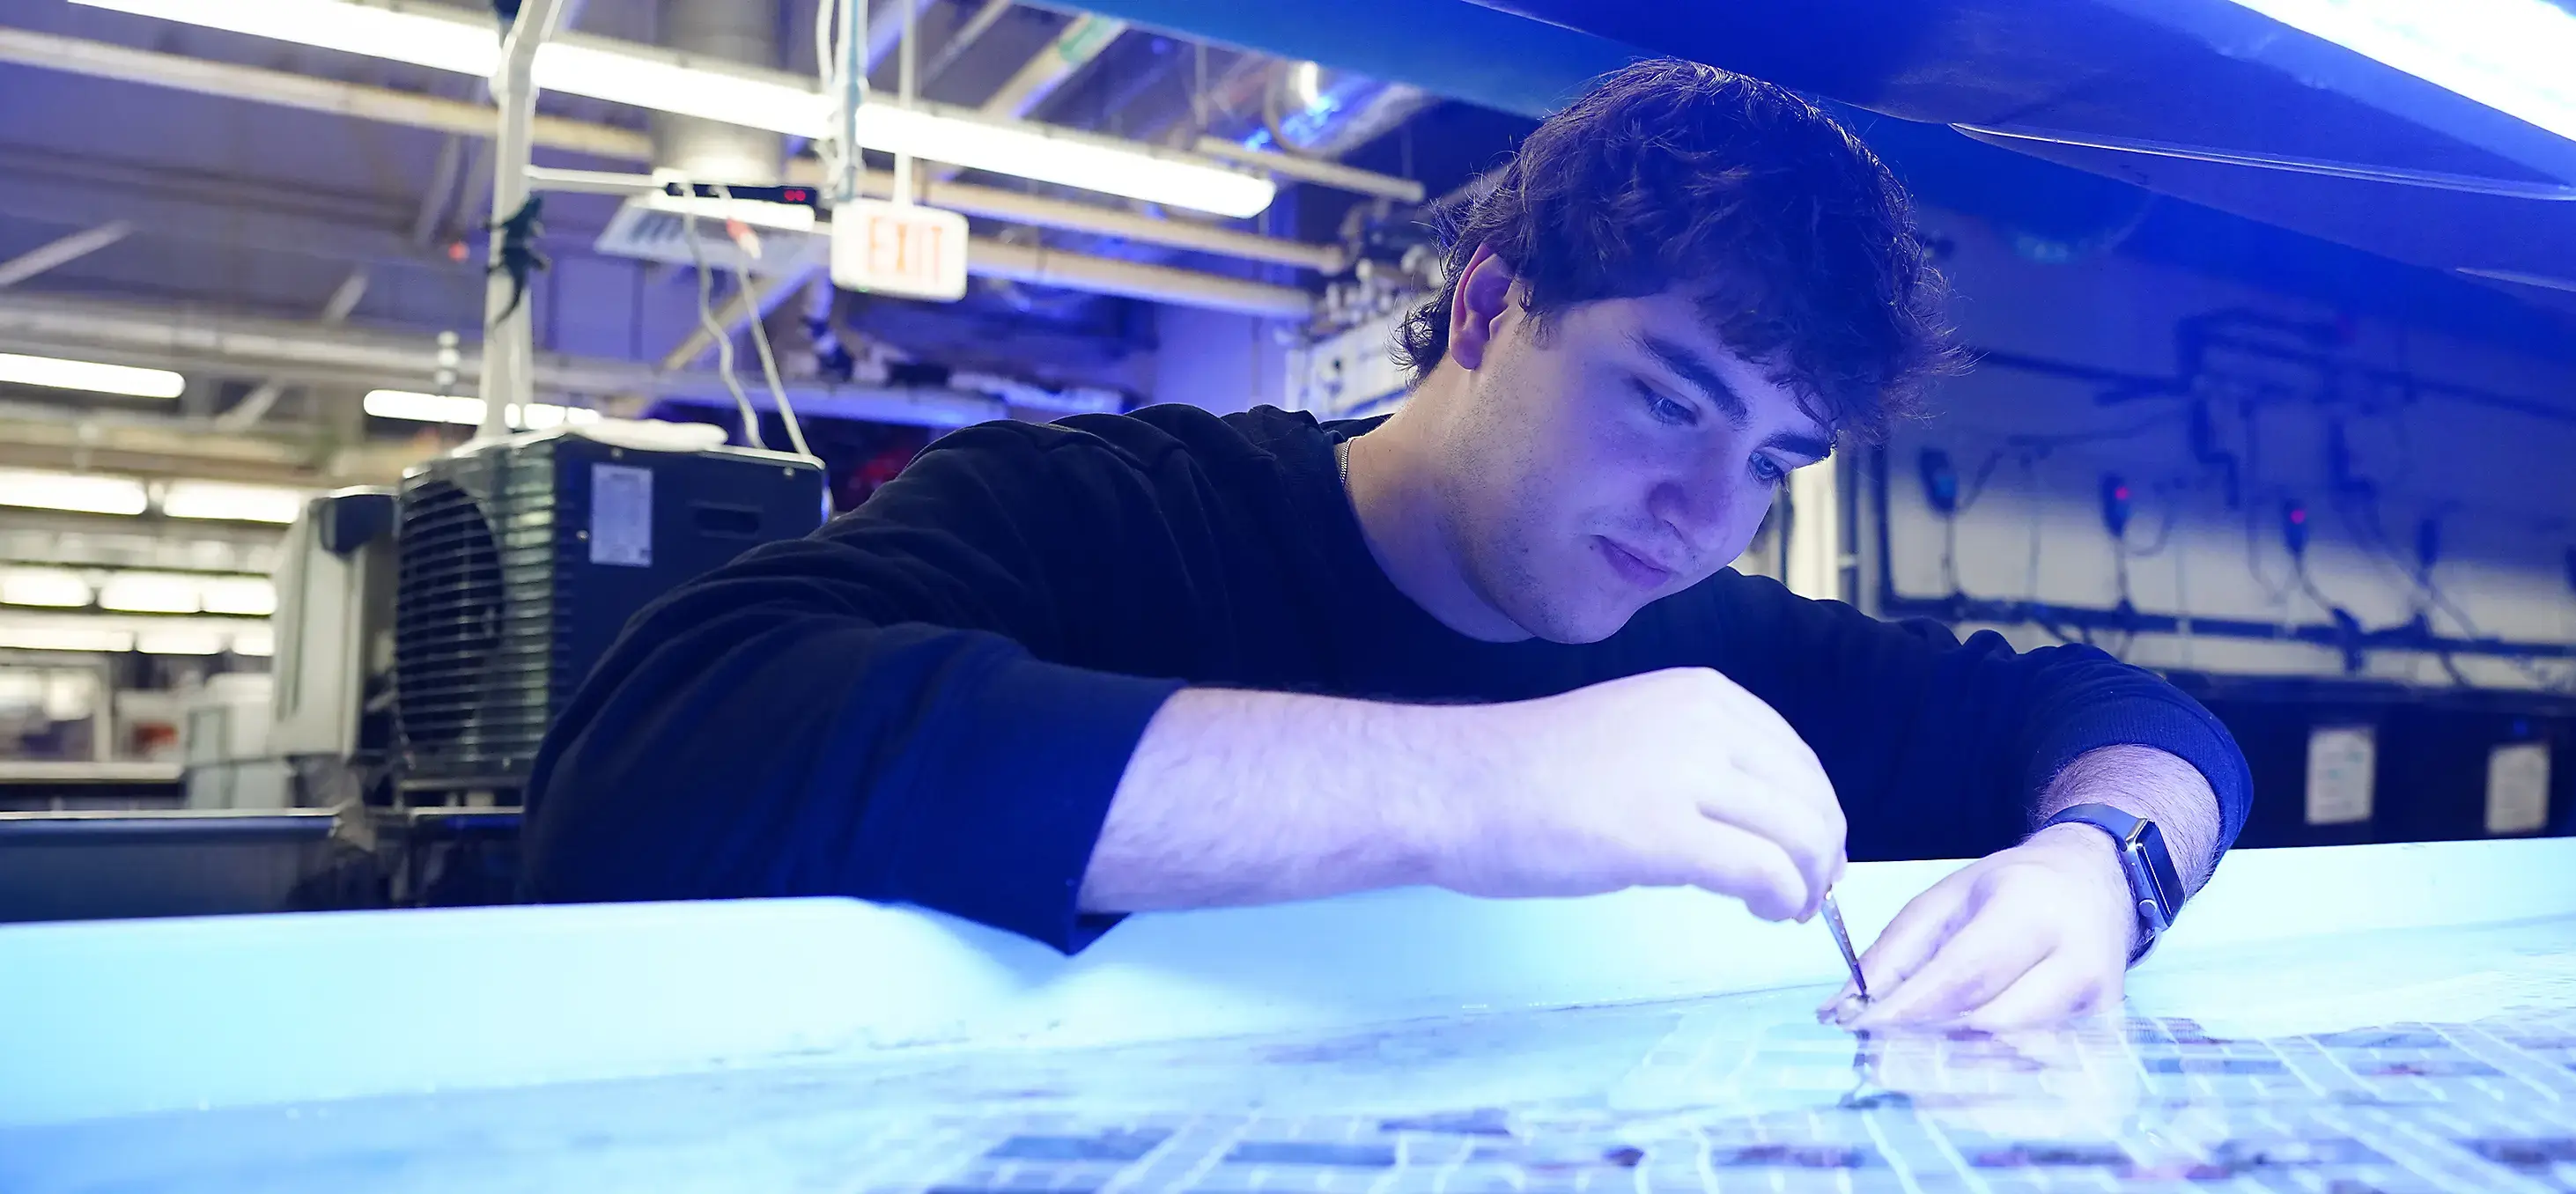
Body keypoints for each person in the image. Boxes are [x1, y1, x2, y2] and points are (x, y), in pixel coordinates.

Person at [524, 60, 2252, 1030]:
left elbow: (2140, 724)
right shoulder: (1124, 516)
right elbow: (651, 758)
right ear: (1492, 307)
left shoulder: (1729, 647)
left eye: (1775, 457)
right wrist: (1468, 787)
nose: (1707, 515)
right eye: (1667, 402)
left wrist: (2104, 863)